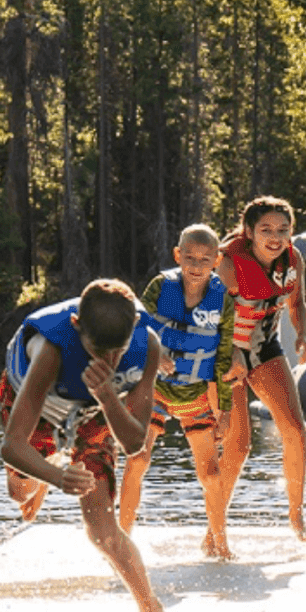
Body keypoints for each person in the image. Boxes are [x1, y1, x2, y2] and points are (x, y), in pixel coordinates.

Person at [0, 277, 185, 612]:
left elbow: (134, 443)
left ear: (135, 327)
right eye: (98, 351)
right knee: (21, 496)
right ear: (76, 326)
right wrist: (55, 476)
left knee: (101, 532)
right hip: (40, 407)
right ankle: (49, 464)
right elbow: (12, 445)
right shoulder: (52, 350)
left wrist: (106, 395)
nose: (109, 363)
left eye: (118, 352)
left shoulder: (147, 345)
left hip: (96, 411)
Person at [118, 225, 245, 559]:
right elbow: (135, 326)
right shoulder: (161, 286)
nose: (196, 265)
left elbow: (223, 359)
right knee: (137, 459)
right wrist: (154, 351)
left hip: (194, 394)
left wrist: (225, 411)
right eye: (189, 257)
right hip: (155, 389)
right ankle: (121, 541)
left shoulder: (223, 301)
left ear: (216, 260)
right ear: (178, 255)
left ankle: (220, 545)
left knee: (211, 474)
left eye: (205, 259)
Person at [216, 196, 306, 540]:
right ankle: (214, 530)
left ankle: (296, 517)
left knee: (295, 431)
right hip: (226, 351)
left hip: (264, 346)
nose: (276, 237)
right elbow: (211, 317)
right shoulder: (228, 264)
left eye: (283, 230)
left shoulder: (293, 259)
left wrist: (303, 335)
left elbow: (297, 302)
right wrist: (231, 354)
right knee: (238, 445)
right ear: (249, 231)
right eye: (266, 230)